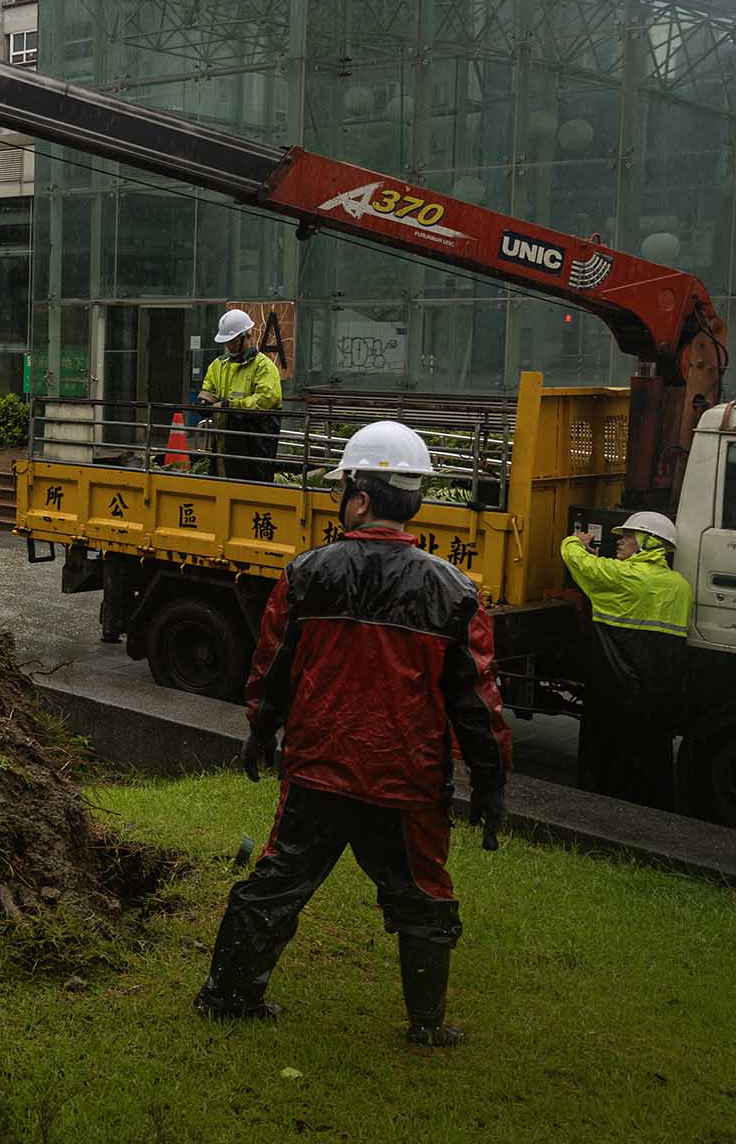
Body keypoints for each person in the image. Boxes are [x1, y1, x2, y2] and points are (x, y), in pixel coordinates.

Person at [195, 420, 512, 1048]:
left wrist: (260, 731)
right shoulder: (456, 592)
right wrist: (492, 787)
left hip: (319, 768)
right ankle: (426, 1025)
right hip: (409, 781)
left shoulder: (307, 573)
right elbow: (478, 703)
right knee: (423, 895)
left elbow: (273, 666)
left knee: (278, 881)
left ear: (360, 497)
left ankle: (228, 998)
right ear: (414, 499)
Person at [560, 511, 692, 809]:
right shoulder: (680, 586)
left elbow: (577, 561)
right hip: (657, 694)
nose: (620, 541)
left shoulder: (622, 577)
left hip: (613, 687)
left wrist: (575, 541)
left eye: (629, 536)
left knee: (606, 754)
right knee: (649, 759)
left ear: (648, 543)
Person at [200, 308, 283, 483]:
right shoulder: (219, 364)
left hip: (254, 439)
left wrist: (230, 405)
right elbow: (209, 389)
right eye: (227, 342)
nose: (229, 346)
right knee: (222, 478)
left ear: (247, 336)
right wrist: (204, 402)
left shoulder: (264, 367)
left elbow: (266, 399)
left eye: (233, 341)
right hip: (224, 438)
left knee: (251, 483)